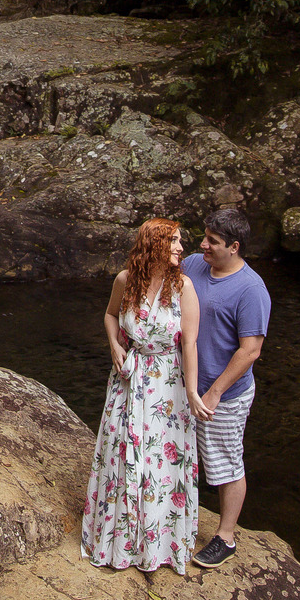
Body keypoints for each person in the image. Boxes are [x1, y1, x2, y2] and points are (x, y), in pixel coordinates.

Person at [81, 218, 210, 576]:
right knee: (121, 453)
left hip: (167, 384)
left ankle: (160, 546)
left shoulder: (182, 286)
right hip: (128, 378)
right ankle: (121, 541)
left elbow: (190, 344)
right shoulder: (125, 281)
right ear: (154, 245)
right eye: (174, 241)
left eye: (180, 241)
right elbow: (110, 315)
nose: (181, 248)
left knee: (160, 463)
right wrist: (114, 345)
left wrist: (191, 392)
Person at [182, 207, 271, 571]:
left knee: (224, 462)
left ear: (234, 247)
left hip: (224, 393)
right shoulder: (193, 265)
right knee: (181, 454)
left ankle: (226, 537)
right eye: (204, 237)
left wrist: (215, 392)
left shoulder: (251, 289)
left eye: (213, 241)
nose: (203, 245)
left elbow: (250, 350)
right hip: (184, 384)